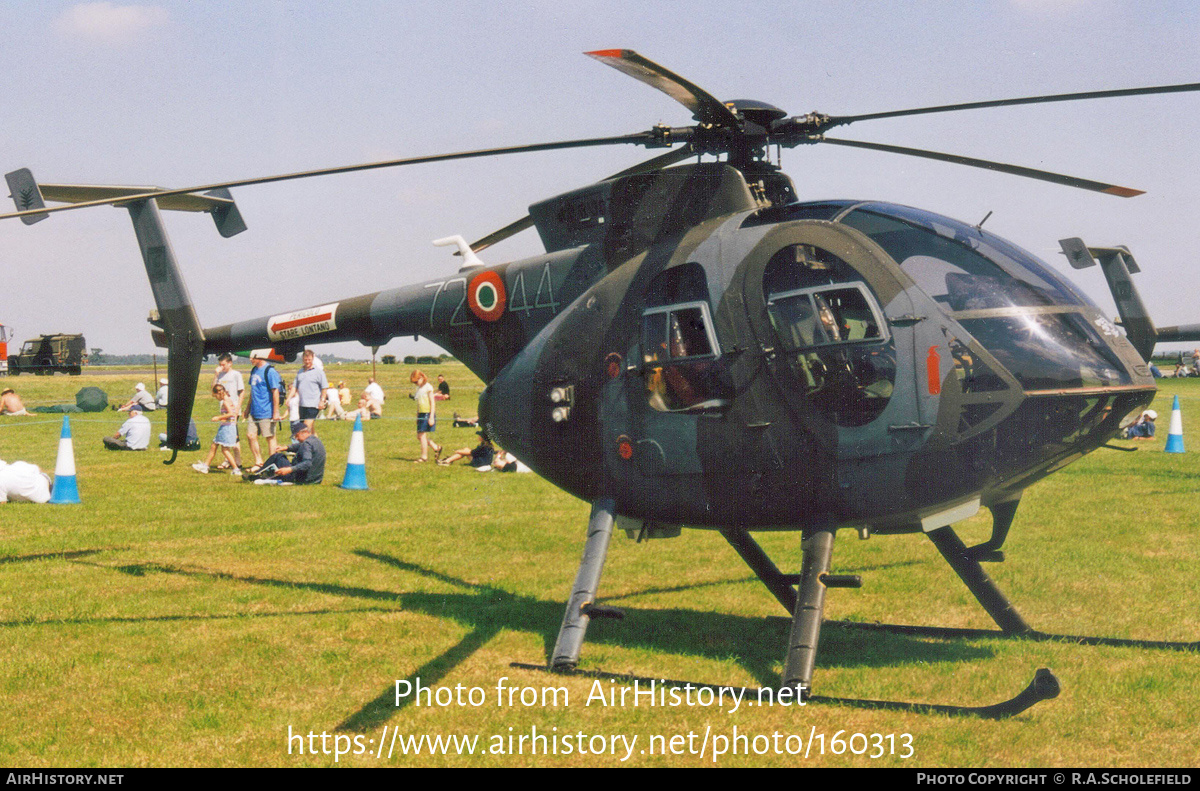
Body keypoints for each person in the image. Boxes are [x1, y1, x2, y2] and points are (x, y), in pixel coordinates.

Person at [244, 421, 325, 485]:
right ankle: (261, 474)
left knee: (278, 456)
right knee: (280, 457)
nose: (296, 439)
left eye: (297, 436)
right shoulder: (315, 440)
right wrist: (287, 448)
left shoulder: (306, 444)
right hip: (315, 480)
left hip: (301, 479)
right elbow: (300, 446)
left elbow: (307, 463)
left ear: (304, 432)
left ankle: (257, 475)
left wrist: (289, 469)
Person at [243, 351, 283, 469]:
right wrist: (247, 408)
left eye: (253, 357)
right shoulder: (254, 370)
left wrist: (275, 412)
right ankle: (259, 462)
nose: (250, 359)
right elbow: (252, 391)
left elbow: (275, 392)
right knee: (250, 435)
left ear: (260, 357)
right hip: (254, 411)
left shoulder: (270, 371)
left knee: (270, 437)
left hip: (266, 411)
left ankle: (272, 463)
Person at [192, 384, 242, 475]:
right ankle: (206, 466)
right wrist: (223, 418)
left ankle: (235, 469)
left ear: (219, 393)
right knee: (216, 446)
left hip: (227, 428)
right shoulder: (228, 399)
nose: (216, 398)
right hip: (228, 426)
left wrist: (218, 418)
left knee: (223, 449)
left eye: (215, 396)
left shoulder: (225, 401)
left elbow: (231, 414)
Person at [214, 353, 246, 469]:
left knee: (232, 436)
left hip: (232, 410)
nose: (222, 367)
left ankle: (236, 462)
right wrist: (216, 375)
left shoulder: (236, 375)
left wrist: (238, 408)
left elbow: (242, 392)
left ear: (230, 363)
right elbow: (214, 391)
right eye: (220, 365)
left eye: (223, 365)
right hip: (224, 410)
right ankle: (232, 460)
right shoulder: (220, 375)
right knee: (229, 436)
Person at [294, 349, 328, 432]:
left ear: (312, 359)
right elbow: (295, 386)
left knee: (304, 428)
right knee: (310, 429)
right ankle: (316, 444)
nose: (307, 362)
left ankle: (305, 445)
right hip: (302, 404)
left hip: (313, 405)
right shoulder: (300, 372)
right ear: (303, 359)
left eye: (309, 360)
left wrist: (322, 401)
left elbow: (324, 387)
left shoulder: (319, 372)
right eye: (305, 360)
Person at [410, 369, 441, 462]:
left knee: (422, 435)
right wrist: (417, 416)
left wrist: (431, 417)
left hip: (427, 413)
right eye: (414, 383)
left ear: (422, 377)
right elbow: (419, 404)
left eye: (416, 381)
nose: (416, 384)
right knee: (419, 436)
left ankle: (424, 457)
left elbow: (432, 402)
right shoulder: (418, 389)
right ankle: (436, 447)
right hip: (421, 413)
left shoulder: (428, 387)